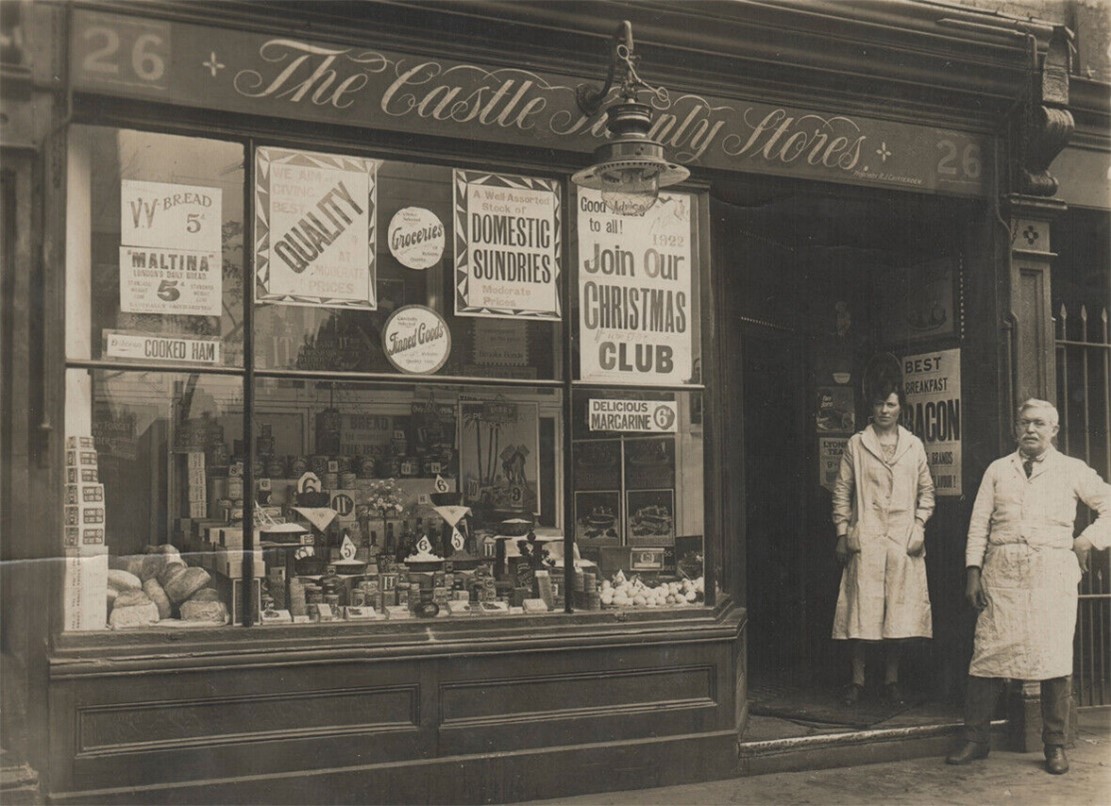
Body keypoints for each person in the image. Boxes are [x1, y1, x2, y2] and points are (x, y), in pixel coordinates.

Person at [946, 399, 1111, 774]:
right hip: (1001, 573)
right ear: (1015, 428)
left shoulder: (1072, 470)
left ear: (1054, 430)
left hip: (1050, 573)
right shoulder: (997, 470)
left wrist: (1087, 540)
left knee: (1052, 656)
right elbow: (979, 524)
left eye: (1039, 423)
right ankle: (976, 738)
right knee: (988, 653)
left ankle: (1054, 744)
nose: (1030, 430)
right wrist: (973, 570)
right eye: (1024, 423)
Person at [832, 377, 935, 706]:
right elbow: (841, 493)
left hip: (901, 539)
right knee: (860, 613)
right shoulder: (857, 444)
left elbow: (927, 493)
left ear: (900, 407)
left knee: (897, 614)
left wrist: (918, 527)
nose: (884, 410)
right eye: (879, 404)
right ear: (871, 408)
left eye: (891, 404)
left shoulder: (913, 445)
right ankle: (857, 680)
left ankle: (892, 681)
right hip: (868, 536)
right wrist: (842, 532)